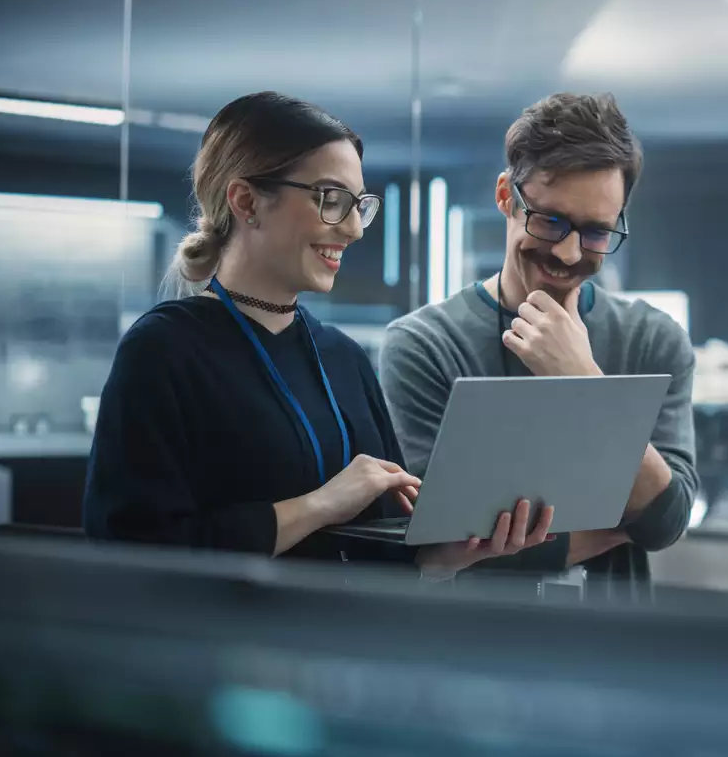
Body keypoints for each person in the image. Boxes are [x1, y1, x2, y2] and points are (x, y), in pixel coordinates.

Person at [83, 91, 554, 577]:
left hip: (348, 645)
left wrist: (443, 558)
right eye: (331, 200)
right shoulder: (163, 351)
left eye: (359, 206)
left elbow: (386, 556)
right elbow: (130, 553)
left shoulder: (343, 358)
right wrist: (322, 504)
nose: (353, 229)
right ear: (247, 201)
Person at [378, 92, 699, 575]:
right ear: (507, 196)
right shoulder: (424, 344)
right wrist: (620, 520)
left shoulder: (652, 338)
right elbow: (441, 539)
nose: (569, 253)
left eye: (596, 232)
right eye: (551, 222)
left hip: (608, 642)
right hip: (476, 639)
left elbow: (666, 521)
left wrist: (584, 382)